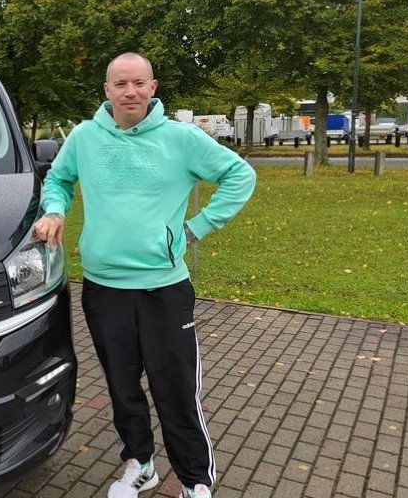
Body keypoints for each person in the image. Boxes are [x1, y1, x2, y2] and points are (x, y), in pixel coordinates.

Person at [34, 52, 256, 498]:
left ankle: (195, 481)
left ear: (153, 88)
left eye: (139, 83)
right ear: (107, 90)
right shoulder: (85, 137)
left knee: (175, 389)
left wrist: (198, 227)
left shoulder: (181, 138)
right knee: (122, 386)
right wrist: (54, 210)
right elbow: (58, 180)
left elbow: (240, 175)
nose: (130, 92)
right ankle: (140, 463)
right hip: (103, 288)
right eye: (121, 84)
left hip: (163, 289)